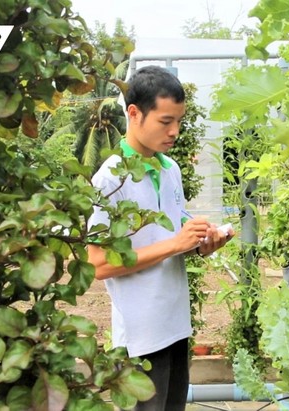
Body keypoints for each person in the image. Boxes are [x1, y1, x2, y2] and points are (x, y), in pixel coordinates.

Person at [87, 65, 234, 411]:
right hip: (141, 334)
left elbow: (173, 227)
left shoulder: (170, 169)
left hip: (174, 323)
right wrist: (176, 244)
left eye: (178, 122)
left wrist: (203, 241)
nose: (175, 131)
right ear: (134, 114)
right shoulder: (109, 180)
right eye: (165, 122)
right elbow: (98, 263)